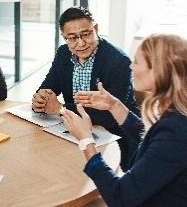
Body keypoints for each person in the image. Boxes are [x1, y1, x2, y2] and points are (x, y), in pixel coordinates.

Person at [61, 34, 187, 206]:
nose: (130, 66)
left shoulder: (175, 131)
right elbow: (153, 142)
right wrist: (114, 106)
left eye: (135, 62)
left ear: (158, 70)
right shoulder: (178, 114)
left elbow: (120, 198)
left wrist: (86, 140)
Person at [31, 6, 141, 171]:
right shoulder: (63, 53)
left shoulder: (119, 62)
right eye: (72, 38)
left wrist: (60, 109)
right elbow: (48, 87)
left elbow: (108, 117)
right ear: (64, 37)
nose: (81, 43)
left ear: (95, 29)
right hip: (74, 133)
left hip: (115, 138)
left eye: (86, 34)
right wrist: (41, 99)